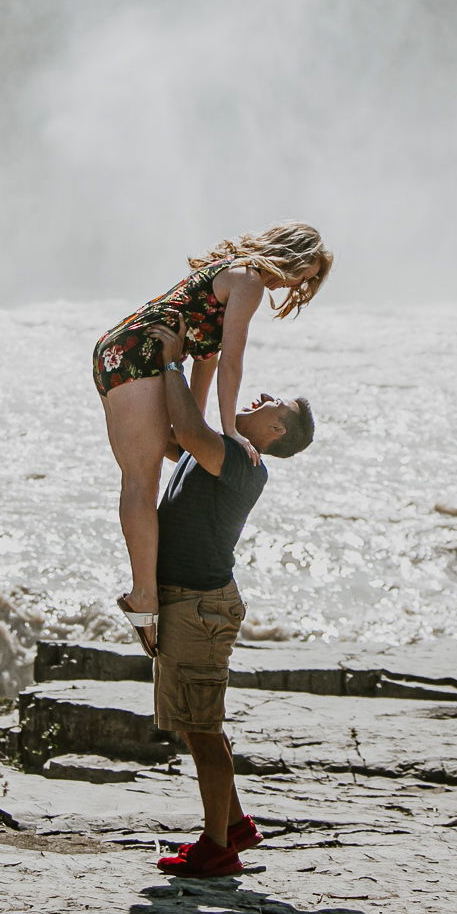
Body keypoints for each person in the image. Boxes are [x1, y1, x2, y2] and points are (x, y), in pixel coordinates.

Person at [92, 222, 331, 653]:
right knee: (139, 482)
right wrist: (231, 432)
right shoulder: (250, 280)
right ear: (290, 256)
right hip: (141, 353)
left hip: (121, 349)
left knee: (136, 477)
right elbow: (232, 360)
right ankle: (143, 596)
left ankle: (143, 596)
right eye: (305, 272)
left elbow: (199, 388)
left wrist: (203, 435)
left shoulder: (222, 282)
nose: (300, 282)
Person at [145, 322, 313, 878]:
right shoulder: (224, 447)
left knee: (204, 727)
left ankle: (218, 848)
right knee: (199, 724)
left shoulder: (244, 463)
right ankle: (233, 824)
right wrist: (203, 359)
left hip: (200, 604)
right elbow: (180, 428)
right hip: (189, 600)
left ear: (276, 432)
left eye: (274, 404)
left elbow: (189, 430)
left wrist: (173, 362)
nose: (261, 396)